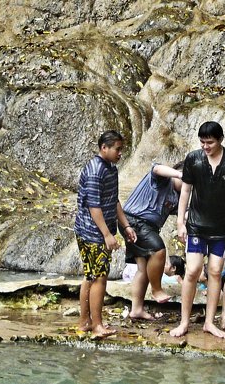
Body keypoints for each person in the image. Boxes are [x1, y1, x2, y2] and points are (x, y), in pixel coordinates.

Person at [170, 121, 225, 340]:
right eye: (202, 142)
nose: (206, 146)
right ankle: (184, 321)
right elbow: (185, 190)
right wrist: (180, 221)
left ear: (220, 139)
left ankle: (209, 322)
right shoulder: (193, 159)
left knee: (214, 271)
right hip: (196, 224)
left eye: (210, 142)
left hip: (221, 228)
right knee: (193, 270)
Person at [74, 130, 137, 338]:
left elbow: (114, 199)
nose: (120, 153)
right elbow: (94, 206)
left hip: (97, 230)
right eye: (117, 149)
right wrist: (107, 235)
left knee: (91, 276)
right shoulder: (94, 171)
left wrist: (126, 226)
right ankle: (97, 325)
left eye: (121, 149)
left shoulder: (111, 169)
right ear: (104, 148)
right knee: (99, 277)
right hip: (92, 232)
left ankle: (85, 322)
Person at [122, 161, 184, 319]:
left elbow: (186, 214)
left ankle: (136, 309)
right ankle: (156, 289)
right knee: (158, 250)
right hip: (134, 221)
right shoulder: (163, 180)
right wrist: (179, 174)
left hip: (145, 226)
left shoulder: (179, 197)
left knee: (143, 269)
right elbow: (156, 168)